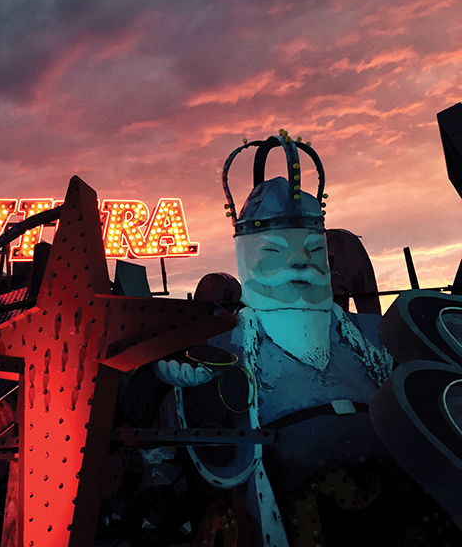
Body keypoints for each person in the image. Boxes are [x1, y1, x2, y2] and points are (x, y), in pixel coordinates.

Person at [156, 132, 396, 546]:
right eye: (274, 252)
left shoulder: (371, 335)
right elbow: (193, 423)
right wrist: (194, 389)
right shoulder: (226, 345)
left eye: (313, 251)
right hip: (291, 504)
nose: (299, 261)